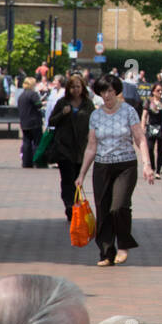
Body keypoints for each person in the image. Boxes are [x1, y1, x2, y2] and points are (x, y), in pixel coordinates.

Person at [75, 74, 155, 267]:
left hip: (125, 165)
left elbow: (140, 138)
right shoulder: (95, 115)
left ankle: (124, 244)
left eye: (110, 91)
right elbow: (91, 146)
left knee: (118, 206)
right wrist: (82, 174)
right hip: (102, 166)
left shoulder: (128, 111)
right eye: (103, 91)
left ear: (116, 91)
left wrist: (147, 164)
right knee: (103, 210)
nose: (107, 95)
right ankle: (106, 252)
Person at [48, 73, 94, 221]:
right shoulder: (63, 102)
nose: (75, 90)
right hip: (64, 148)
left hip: (81, 149)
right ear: (68, 88)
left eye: (78, 87)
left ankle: (75, 205)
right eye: (73, 87)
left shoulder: (88, 104)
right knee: (67, 179)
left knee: (78, 179)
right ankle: (70, 206)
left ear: (83, 88)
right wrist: (63, 113)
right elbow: (52, 121)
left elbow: (94, 122)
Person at [16, 77, 43, 169]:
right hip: (34, 122)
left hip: (24, 122)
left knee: (26, 142)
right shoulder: (33, 94)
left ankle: (26, 162)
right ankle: (37, 161)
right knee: (37, 142)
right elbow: (38, 104)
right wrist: (41, 102)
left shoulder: (21, 95)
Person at [144, 82, 162, 174]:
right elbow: (144, 115)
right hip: (151, 127)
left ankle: (158, 170)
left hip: (161, 127)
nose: (160, 92)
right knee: (149, 148)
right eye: (158, 90)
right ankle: (153, 167)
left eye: (161, 90)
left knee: (160, 149)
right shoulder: (148, 101)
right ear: (153, 91)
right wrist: (143, 125)